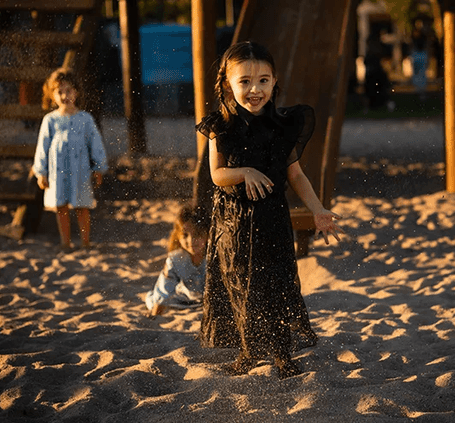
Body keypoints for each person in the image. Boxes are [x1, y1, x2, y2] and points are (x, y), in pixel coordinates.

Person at [196, 40, 342, 379]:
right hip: (233, 222)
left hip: (272, 219)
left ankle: (281, 354)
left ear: (275, 81)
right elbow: (217, 175)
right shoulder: (220, 126)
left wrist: (318, 209)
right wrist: (244, 171)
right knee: (241, 285)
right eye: (244, 81)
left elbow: (296, 175)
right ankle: (248, 351)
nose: (255, 89)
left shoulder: (282, 126)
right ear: (227, 85)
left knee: (276, 283)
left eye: (263, 80)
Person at [33, 68, 108, 250]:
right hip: (58, 172)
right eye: (59, 92)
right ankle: (65, 242)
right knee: (61, 207)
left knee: (82, 206)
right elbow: (42, 147)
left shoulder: (85, 119)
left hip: (80, 171)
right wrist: (41, 172)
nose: (64, 96)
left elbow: (95, 144)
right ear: (52, 95)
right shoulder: (50, 120)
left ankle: (85, 242)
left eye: (68, 91)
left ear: (76, 92)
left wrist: (99, 167)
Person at [145, 204, 209, 318]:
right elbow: (165, 288)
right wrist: (155, 315)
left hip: (204, 303)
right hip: (179, 301)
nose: (191, 241)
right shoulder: (176, 259)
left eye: (197, 235)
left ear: (207, 234)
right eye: (185, 235)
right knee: (152, 300)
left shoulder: (212, 257)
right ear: (178, 236)